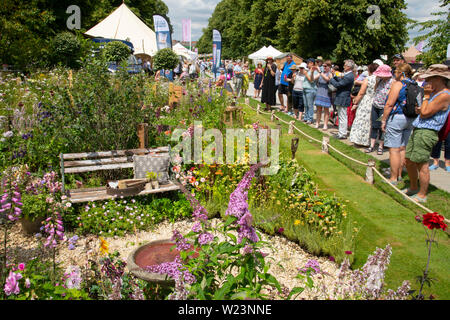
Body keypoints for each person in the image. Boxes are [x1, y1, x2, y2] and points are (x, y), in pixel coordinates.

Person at [403, 64, 450, 202]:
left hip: (427, 132)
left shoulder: (444, 95)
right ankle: (413, 187)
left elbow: (424, 113)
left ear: (439, 79)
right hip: (419, 129)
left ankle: (422, 195)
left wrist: (426, 97)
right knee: (409, 161)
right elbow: (424, 111)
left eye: (429, 79)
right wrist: (423, 106)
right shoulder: (436, 93)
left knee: (421, 164)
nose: (427, 82)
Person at [381, 63, 417, 185]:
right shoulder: (413, 84)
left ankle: (393, 177)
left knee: (394, 149)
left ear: (401, 73)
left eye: (396, 72)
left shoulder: (398, 84)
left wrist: (384, 119)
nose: (394, 74)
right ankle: (400, 174)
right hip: (410, 118)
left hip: (397, 117)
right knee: (402, 148)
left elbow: (389, 104)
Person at [365, 64, 394, 154]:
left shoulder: (392, 82)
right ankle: (372, 145)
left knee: (382, 127)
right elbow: (375, 90)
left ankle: (381, 146)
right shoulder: (380, 80)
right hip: (375, 105)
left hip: (384, 108)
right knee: (374, 125)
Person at [349, 63, 379, 146]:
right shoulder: (380, 79)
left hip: (367, 101)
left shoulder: (368, 79)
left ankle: (360, 140)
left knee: (362, 120)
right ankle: (370, 140)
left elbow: (361, 92)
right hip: (375, 101)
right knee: (371, 121)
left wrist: (356, 101)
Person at [329, 59, 355, 139]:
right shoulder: (348, 75)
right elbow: (341, 81)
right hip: (341, 97)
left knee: (343, 116)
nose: (343, 66)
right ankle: (341, 133)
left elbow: (338, 85)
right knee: (341, 116)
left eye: (345, 65)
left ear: (348, 67)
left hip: (343, 97)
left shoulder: (350, 76)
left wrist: (331, 78)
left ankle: (343, 134)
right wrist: (335, 76)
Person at [314, 60, 333, 129]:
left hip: (326, 92)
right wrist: (313, 70)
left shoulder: (330, 74)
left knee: (326, 109)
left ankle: (325, 125)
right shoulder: (321, 73)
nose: (324, 67)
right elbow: (313, 79)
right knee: (318, 109)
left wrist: (320, 72)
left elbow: (327, 79)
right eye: (323, 66)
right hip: (319, 91)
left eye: (325, 66)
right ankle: (317, 123)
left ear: (329, 66)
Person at [302, 58, 320, 124]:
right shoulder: (308, 70)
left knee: (310, 105)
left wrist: (306, 74)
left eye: (308, 63)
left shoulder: (315, 71)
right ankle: (306, 117)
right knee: (306, 104)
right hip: (305, 88)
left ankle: (310, 118)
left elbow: (311, 80)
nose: (307, 64)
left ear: (312, 63)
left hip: (311, 89)